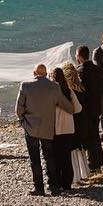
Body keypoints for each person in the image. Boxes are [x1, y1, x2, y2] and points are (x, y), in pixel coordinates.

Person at [16, 63, 74, 196]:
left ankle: (39, 188)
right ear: (46, 73)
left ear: (34, 73)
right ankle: (53, 187)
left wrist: (22, 121)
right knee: (49, 157)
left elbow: (19, 108)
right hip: (48, 128)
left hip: (30, 127)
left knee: (34, 158)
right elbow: (67, 107)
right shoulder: (54, 87)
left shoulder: (25, 85)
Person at [74, 45, 103, 172]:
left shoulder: (80, 71)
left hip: (86, 108)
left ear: (79, 56)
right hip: (97, 106)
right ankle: (98, 161)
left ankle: (92, 163)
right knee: (95, 134)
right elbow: (102, 89)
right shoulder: (98, 70)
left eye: (76, 55)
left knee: (89, 135)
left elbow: (81, 91)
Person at [51, 66, 83, 190]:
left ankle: (58, 182)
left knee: (56, 157)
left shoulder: (52, 92)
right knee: (66, 157)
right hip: (69, 129)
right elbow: (78, 108)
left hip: (56, 129)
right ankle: (67, 183)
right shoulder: (68, 91)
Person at [62, 63, 90, 182]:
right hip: (82, 120)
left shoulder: (69, 91)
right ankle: (85, 172)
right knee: (80, 147)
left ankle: (76, 176)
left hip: (73, 121)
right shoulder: (82, 88)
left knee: (72, 148)